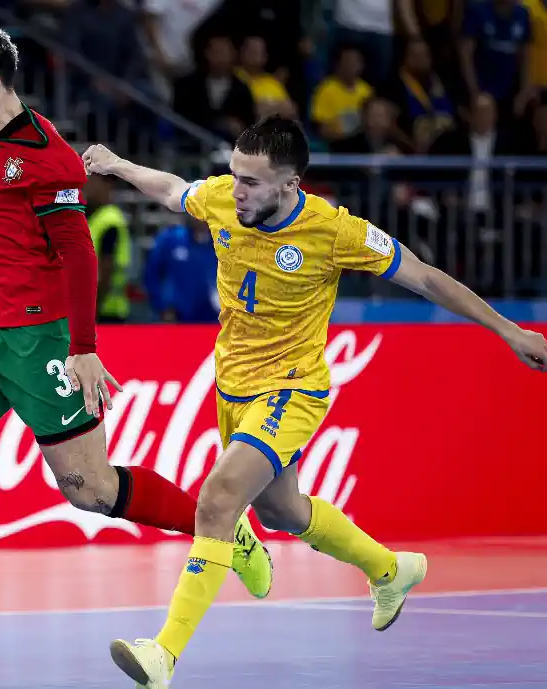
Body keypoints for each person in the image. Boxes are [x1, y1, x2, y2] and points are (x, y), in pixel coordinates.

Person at [81, 116, 547, 688]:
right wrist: (119, 166)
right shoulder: (227, 198)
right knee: (281, 512)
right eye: (235, 175)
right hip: (233, 386)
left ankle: (163, 654)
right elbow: (175, 191)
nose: (238, 190)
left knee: (218, 499)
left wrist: (510, 331)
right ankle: (390, 569)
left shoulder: (334, 231)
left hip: (292, 388)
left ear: (290, 184)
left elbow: (425, 278)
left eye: (251, 181)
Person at [0, 20, 274, 683]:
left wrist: (84, 347)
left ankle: (223, 525)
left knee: (89, 490)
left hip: (40, 341)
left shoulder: (45, 155)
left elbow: (78, 252)